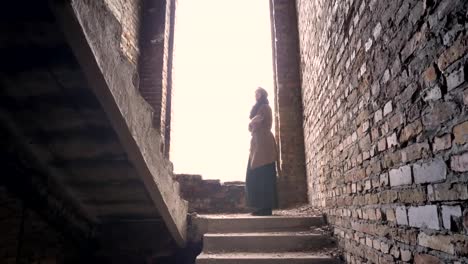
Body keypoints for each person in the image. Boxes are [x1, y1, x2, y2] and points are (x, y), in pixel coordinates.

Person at [246, 87, 278, 216]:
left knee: (262, 175)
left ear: (263, 94)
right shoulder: (259, 108)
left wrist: (251, 123)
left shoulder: (264, 107)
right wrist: (251, 123)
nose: (256, 95)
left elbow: (255, 124)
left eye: (258, 93)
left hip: (263, 144)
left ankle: (265, 208)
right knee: (257, 175)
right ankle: (261, 207)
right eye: (255, 93)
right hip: (258, 143)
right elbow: (252, 125)